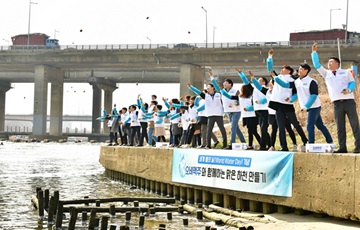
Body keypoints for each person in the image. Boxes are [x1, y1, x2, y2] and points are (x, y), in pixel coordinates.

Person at [311, 43, 360, 153]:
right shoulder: (326, 73)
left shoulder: (345, 72)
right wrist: (314, 53)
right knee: (340, 126)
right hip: (337, 103)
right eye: (328, 62)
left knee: (354, 124)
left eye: (331, 62)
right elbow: (317, 65)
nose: (329, 64)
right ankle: (342, 147)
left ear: (337, 63)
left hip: (349, 101)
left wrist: (348, 90)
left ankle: (358, 145)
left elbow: (352, 83)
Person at [275, 63, 333, 145]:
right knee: (320, 125)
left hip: (314, 107)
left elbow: (313, 96)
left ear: (306, 71)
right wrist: (291, 99)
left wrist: (306, 106)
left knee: (309, 125)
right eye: (299, 69)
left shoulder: (312, 81)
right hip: (308, 108)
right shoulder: (297, 81)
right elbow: (286, 86)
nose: (299, 70)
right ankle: (329, 140)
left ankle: (311, 144)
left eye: (301, 69)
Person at [267, 49, 308, 151]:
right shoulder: (276, 77)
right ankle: (284, 147)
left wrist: (291, 99)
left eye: (284, 68)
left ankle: (305, 141)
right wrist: (270, 57)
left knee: (295, 123)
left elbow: (296, 93)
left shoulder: (294, 79)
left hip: (287, 104)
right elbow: (270, 69)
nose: (281, 69)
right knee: (281, 127)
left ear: (289, 71)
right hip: (277, 104)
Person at [188, 70, 228, 149]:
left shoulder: (218, 94)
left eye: (209, 87)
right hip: (210, 115)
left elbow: (216, 85)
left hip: (219, 114)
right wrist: (191, 87)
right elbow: (198, 92)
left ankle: (225, 145)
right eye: (207, 88)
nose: (207, 89)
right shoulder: (206, 96)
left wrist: (212, 77)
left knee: (222, 129)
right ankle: (208, 145)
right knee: (209, 130)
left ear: (212, 88)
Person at [218, 76, 246, 150]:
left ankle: (231, 144)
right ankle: (243, 142)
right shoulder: (223, 92)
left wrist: (234, 104)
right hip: (228, 112)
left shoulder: (236, 91)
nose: (224, 84)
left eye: (226, 83)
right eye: (224, 83)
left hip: (236, 111)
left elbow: (240, 100)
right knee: (236, 129)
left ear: (230, 84)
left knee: (233, 128)